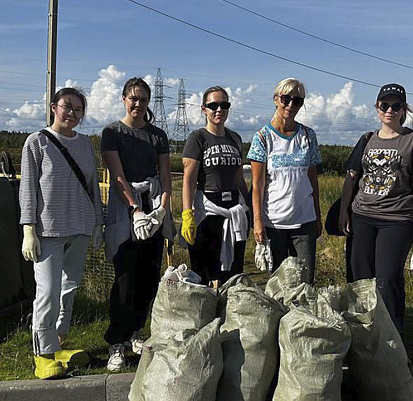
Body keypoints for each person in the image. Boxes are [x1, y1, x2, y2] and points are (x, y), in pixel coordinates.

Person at [19, 87, 103, 380]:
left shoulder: (86, 145)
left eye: (78, 110)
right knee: (48, 292)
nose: (72, 114)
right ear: (54, 107)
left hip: (80, 226)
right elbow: (28, 188)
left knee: (68, 290)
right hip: (48, 230)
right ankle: (42, 353)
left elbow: (93, 187)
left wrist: (98, 224)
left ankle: (58, 342)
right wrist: (28, 230)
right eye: (67, 107)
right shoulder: (37, 142)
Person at [338, 83, 413, 334]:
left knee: (387, 278)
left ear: (404, 110)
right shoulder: (367, 139)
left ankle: (391, 336)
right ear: (377, 108)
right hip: (362, 216)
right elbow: (351, 178)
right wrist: (343, 212)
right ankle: (360, 334)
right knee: (360, 278)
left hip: (397, 218)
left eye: (396, 105)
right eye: (385, 105)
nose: (389, 110)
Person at [101, 77, 173, 372]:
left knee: (148, 274)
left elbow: (166, 174)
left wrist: (163, 210)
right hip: (126, 207)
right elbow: (116, 174)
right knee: (126, 276)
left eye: (143, 99)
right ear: (123, 99)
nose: (138, 104)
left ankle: (135, 332)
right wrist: (135, 210)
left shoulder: (157, 136)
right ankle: (116, 339)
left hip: (153, 203)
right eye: (133, 98)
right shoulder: (113, 133)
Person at [247, 78, 322, 282]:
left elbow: (313, 179)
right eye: (286, 98)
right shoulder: (263, 137)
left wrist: (317, 214)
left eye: (297, 101)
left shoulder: (308, 136)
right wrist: (258, 222)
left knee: (305, 282)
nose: (290, 105)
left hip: (304, 223)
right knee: (279, 284)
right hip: (274, 224)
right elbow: (258, 185)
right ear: (276, 99)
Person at [181, 86, 250, 285]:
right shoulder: (197, 138)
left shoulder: (235, 138)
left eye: (224, 105)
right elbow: (188, 179)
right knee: (204, 271)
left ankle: (228, 312)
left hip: (234, 209)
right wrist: (187, 214)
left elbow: (239, 178)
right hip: (209, 211)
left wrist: (249, 208)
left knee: (232, 272)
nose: (219, 110)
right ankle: (204, 313)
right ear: (204, 109)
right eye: (213, 105)